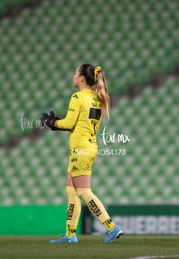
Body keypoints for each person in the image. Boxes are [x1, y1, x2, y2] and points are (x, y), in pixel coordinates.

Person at [41, 64, 122, 244]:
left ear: (82, 79)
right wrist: (56, 124)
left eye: (75, 73)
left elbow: (70, 123)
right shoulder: (97, 97)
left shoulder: (78, 96)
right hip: (89, 146)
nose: (73, 76)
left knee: (84, 191)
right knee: (71, 190)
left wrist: (53, 123)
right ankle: (70, 234)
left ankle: (111, 227)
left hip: (81, 148)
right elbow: (81, 124)